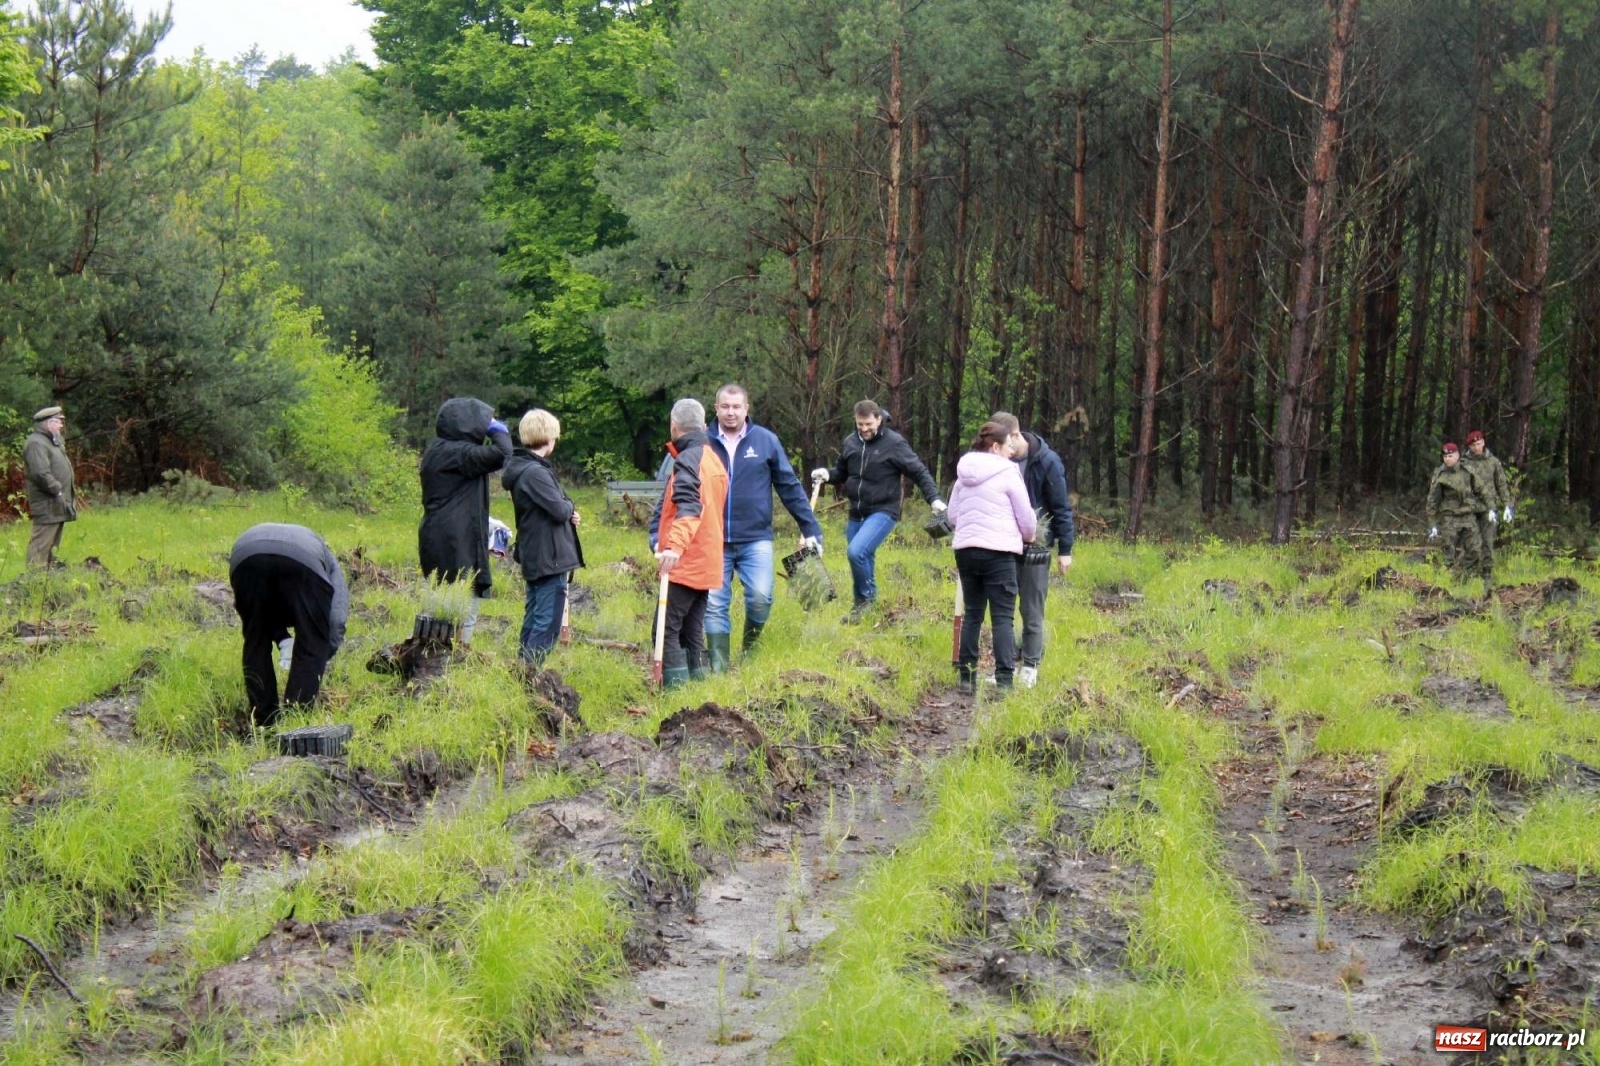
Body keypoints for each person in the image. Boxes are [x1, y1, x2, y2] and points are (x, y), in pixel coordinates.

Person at [693, 383, 825, 670]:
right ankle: (719, 667)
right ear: (716, 408)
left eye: (736, 407)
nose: (731, 412)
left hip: (756, 538)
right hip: (712, 539)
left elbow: (789, 487)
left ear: (746, 408)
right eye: (725, 406)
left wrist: (811, 529)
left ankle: (751, 649)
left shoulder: (765, 441)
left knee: (761, 596)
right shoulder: (701, 442)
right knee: (714, 605)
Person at [811, 400, 944, 623]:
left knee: (856, 552)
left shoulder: (894, 444)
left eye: (868, 424)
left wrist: (935, 499)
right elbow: (841, 474)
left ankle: (863, 604)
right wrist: (827, 474)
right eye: (860, 424)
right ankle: (865, 611)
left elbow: (919, 472)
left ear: (879, 419)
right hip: (856, 512)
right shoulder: (851, 442)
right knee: (862, 558)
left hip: (883, 511)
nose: (864, 429)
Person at [229, 523, 349, 728]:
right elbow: (336, 618)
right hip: (303, 563)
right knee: (312, 643)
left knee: (255, 640)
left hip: (245, 556)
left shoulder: (310, 547)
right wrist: (318, 655)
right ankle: (296, 723)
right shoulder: (327, 559)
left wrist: (282, 638)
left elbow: (260, 612)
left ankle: (264, 722)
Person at [947, 422, 1037, 692]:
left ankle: (967, 677)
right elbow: (1027, 519)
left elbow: (953, 516)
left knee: (973, 613)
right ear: (995, 446)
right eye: (1008, 445)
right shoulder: (1009, 473)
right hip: (999, 553)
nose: (1011, 450)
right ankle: (1005, 681)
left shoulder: (963, 474)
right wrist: (1028, 537)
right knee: (1002, 618)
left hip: (966, 551)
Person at [992, 411, 1075, 689]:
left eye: (1004, 442)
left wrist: (1066, 548)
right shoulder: (998, 459)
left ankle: (1030, 667)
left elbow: (1061, 507)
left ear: (1015, 435)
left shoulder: (1047, 462)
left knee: (1032, 608)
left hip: (1037, 547)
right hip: (1003, 544)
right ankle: (1003, 666)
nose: (1001, 449)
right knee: (1002, 609)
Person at [418, 397, 512, 643]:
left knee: (439, 606)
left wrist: (487, 523)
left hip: (441, 536)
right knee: (461, 608)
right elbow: (503, 453)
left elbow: (456, 497)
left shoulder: (440, 449)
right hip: (454, 541)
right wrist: (496, 429)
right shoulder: (456, 453)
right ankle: (451, 661)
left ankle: (434, 657)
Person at [655, 398, 728, 687]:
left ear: (674, 426)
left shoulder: (688, 459)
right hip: (708, 560)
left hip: (687, 560)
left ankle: (676, 696)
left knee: (666, 630)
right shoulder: (712, 458)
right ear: (703, 424)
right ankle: (698, 690)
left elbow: (689, 506)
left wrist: (674, 547)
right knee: (692, 630)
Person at [503, 409, 584, 667]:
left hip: (539, 552)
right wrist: (570, 509)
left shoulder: (526, 469)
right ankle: (528, 677)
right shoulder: (534, 473)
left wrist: (567, 510)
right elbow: (560, 508)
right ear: (549, 438)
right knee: (547, 622)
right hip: (549, 557)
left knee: (535, 616)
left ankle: (521, 671)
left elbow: (555, 507)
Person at [1427, 442, 1493, 596]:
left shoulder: (1467, 471)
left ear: (1457, 456)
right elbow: (1432, 501)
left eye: (1450, 456)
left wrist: (1491, 508)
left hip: (1467, 515)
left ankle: (1461, 577)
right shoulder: (1440, 475)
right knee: (1448, 552)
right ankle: (1446, 585)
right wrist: (1433, 524)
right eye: (1445, 456)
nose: (1448, 459)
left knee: (1475, 550)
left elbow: (1482, 489)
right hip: (1449, 517)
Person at [22, 406, 76, 569]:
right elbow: (40, 473)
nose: (61, 425)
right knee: (40, 544)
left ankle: (47, 581)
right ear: (48, 423)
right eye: (58, 422)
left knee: (51, 545)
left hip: (56, 501)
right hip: (48, 502)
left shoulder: (51, 441)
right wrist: (57, 490)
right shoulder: (36, 443)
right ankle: (32, 582)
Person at [1462, 429, 1512, 567]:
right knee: (1472, 544)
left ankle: (1487, 574)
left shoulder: (1493, 462)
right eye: (1473, 445)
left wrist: (1507, 505)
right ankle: (1466, 573)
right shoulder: (1464, 463)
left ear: (1483, 442)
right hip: (1470, 509)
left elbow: (1501, 484)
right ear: (1469, 447)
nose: (1477, 447)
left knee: (1488, 543)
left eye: (1479, 444)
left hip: (1488, 509)